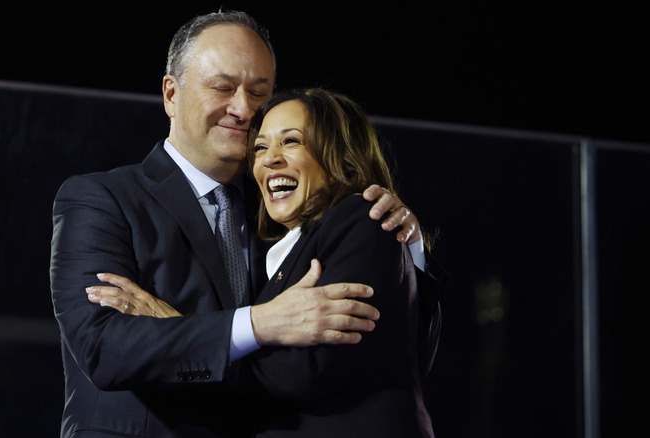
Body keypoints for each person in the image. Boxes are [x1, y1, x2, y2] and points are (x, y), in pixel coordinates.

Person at [50, 10, 439, 438]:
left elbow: (379, 357)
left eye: (260, 92)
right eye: (222, 87)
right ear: (171, 94)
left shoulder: (293, 208)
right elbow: (104, 349)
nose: (243, 109)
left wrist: (405, 251)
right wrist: (259, 323)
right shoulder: (101, 199)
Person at [246, 88, 434, 436]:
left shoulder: (363, 219)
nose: (269, 158)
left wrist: (201, 342)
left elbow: (304, 370)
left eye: (291, 141)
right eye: (260, 147)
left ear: (339, 157)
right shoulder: (279, 250)